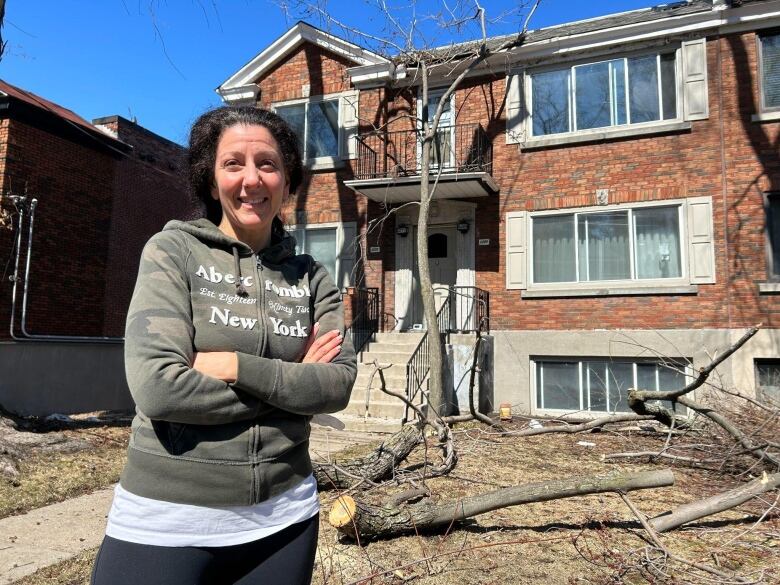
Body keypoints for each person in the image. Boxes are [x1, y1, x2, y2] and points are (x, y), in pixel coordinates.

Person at [91, 106, 357, 585]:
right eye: (233, 163)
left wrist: (234, 364)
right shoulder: (173, 252)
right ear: (211, 182)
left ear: (287, 182)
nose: (252, 179)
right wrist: (292, 394)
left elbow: (336, 386)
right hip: (168, 519)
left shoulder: (312, 279)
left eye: (268, 164)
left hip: (285, 517)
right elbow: (159, 389)